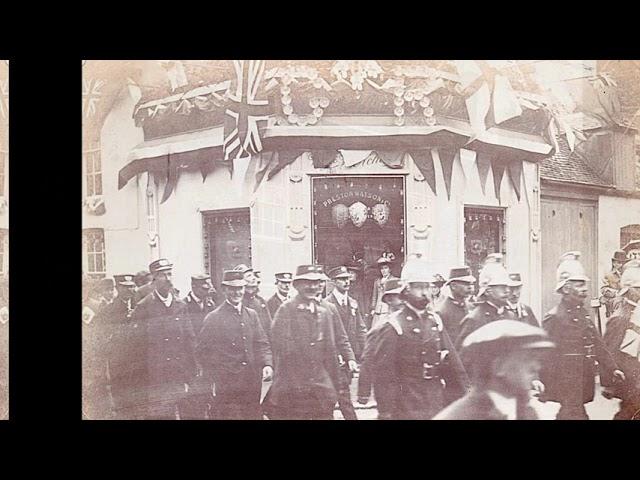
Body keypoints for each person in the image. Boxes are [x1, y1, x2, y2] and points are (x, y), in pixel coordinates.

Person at [360, 255, 469, 419]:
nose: (425, 293)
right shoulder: (393, 326)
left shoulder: (435, 321)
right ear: (406, 289)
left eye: (427, 287)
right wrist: (385, 413)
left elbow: (454, 365)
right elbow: (384, 376)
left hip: (434, 399)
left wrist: (464, 395)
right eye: (419, 287)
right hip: (405, 403)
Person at [539, 251, 624, 420]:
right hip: (565, 384)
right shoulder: (555, 317)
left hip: (581, 381)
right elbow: (542, 352)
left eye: (584, 284)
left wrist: (612, 368)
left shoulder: (584, 314)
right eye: (579, 285)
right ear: (566, 288)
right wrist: (538, 380)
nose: (585, 289)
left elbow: (599, 345)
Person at [264, 265, 343, 420]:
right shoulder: (286, 310)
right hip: (293, 392)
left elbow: (331, 353)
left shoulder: (324, 313)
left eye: (316, 282)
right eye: (307, 282)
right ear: (297, 285)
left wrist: (335, 387)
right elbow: (280, 351)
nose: (312, 287)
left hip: (320, 391)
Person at [434, 320, 555, 420]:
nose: (536, 367)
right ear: (499, 366)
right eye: (527, 359)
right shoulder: (459, 416)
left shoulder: (528, 412)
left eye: (536, 359)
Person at [196, 270, 273, 420]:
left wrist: (267, 364)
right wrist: (218, 375)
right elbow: (202, 352)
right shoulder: (214, 318)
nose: (237, 293)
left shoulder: (251, 315)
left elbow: (262, 344)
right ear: (224, 290)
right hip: (227, 387)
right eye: (232, 289)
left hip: (251, 384)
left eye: (240, 288)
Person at [129, 259, 198, 420]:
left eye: (169, 274)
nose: (168, 279)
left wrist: (192, 371)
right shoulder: (144, 307)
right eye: (162, 275)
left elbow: (190, 340)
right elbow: (134, 348)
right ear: (154, 278)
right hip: (155, 377)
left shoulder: (180, 306)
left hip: (178, 374)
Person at [324, 265, 367, 420]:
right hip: (333, 359)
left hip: (349, 357)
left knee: (340, 396)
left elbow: (361, 329)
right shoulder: (326, 304)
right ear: (334, 281)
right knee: (338, 399)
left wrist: (365, 351)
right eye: (342, 279)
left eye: (348, 278)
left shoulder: (353, 303)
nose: (346, 282)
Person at [357, 278, 405, 406]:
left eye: (405, 296)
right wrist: (363, 393)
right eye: (398, 297)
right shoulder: (381, 326)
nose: (403, 300)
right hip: (390, 387)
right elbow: (367, 360)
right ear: (388, 299)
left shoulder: (412, 322)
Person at [601, 261, 640, 419]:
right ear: (629, 290)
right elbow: (608, 350)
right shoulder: (620, 316)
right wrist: (609, 383)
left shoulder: (634, 311)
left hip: (634, 374)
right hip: (627, 376)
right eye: (638, 288)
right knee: (628, 411)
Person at [179, 273, 217, 419]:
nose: (207, 290)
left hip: (207, 360)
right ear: (194, 287)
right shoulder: (184, 305)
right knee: (191, 402)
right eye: (204, 288)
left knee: (206, 397)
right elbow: (184, 337)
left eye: (208, 287)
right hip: (190, 360)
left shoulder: (210, 304)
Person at [456, 262, 516, 350]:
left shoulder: (511, 316)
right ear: (488, 291)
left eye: (508, 287)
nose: (507, 291)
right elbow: (463, 357)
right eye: (501, 287)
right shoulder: (474, 320)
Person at [105, 274, 138, 419]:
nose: (130, 290)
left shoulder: (139, 305)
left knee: (136, 394)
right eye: (126, 287)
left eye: (132, 286)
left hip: (136, 358)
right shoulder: (110, 309)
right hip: (119, 359)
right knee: (121, 393)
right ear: (118, 288)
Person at [82, 277, 116, 419]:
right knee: (93, 386)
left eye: (111, 289)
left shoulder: (108, 304)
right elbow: (89, 333)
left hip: (105, 352)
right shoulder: (91, 307)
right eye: (107, 290)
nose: (110, 292)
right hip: (94, 354)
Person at [435, 266, 476, 344]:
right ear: (453, 286)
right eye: (466, 284)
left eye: (471, 284)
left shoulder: (471, 307)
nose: (470, 287)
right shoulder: (442, 312)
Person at [234, 264, 273, 339]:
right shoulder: (237, 302)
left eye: (253, 275)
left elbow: (269, 327)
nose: (254, 278)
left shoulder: (261, 301)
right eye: (249, 276)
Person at [370, 255, 398, 329]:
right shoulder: (377, 281)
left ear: (390, 269)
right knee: (375, 329)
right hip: (378, 310)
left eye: (386, 268)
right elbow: (374, 296)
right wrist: (373, 308)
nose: (383, 270)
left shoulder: (394, 280)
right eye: (382, 269)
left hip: (387, 310)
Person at [600, 250, 626, 318]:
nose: (621, 265)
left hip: (627, 302)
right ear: (614, 263)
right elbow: (603, 289)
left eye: (623, 263)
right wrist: (615, 293)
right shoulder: (609, 274)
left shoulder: (628, 274)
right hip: (614, 302)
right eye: (619, 262)